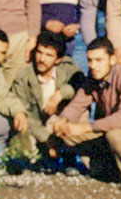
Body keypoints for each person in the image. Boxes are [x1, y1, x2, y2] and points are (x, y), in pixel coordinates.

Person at [53, 37, 121, 190]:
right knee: (68, 133)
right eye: (90, 60)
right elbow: (77, 104)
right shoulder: (94, 77)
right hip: (119, 133)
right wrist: (63, 120)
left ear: (112, 60)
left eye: (99, 60)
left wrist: (85, 127)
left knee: (114, 135)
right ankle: (104, 169)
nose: (93, 66)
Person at [10, 31, 83, 165]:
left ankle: (70, 157)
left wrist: (60, 94)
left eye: (49, 55)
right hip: (36, 125)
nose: (42, 59)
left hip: (57, 122)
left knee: (82, 113)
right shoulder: (23, 78)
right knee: (25, 154)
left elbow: (81, 82)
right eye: (39, 52)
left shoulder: (66, 68)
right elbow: (26, 114)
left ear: (58, 60)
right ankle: (41, 157)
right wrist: (47, 140)